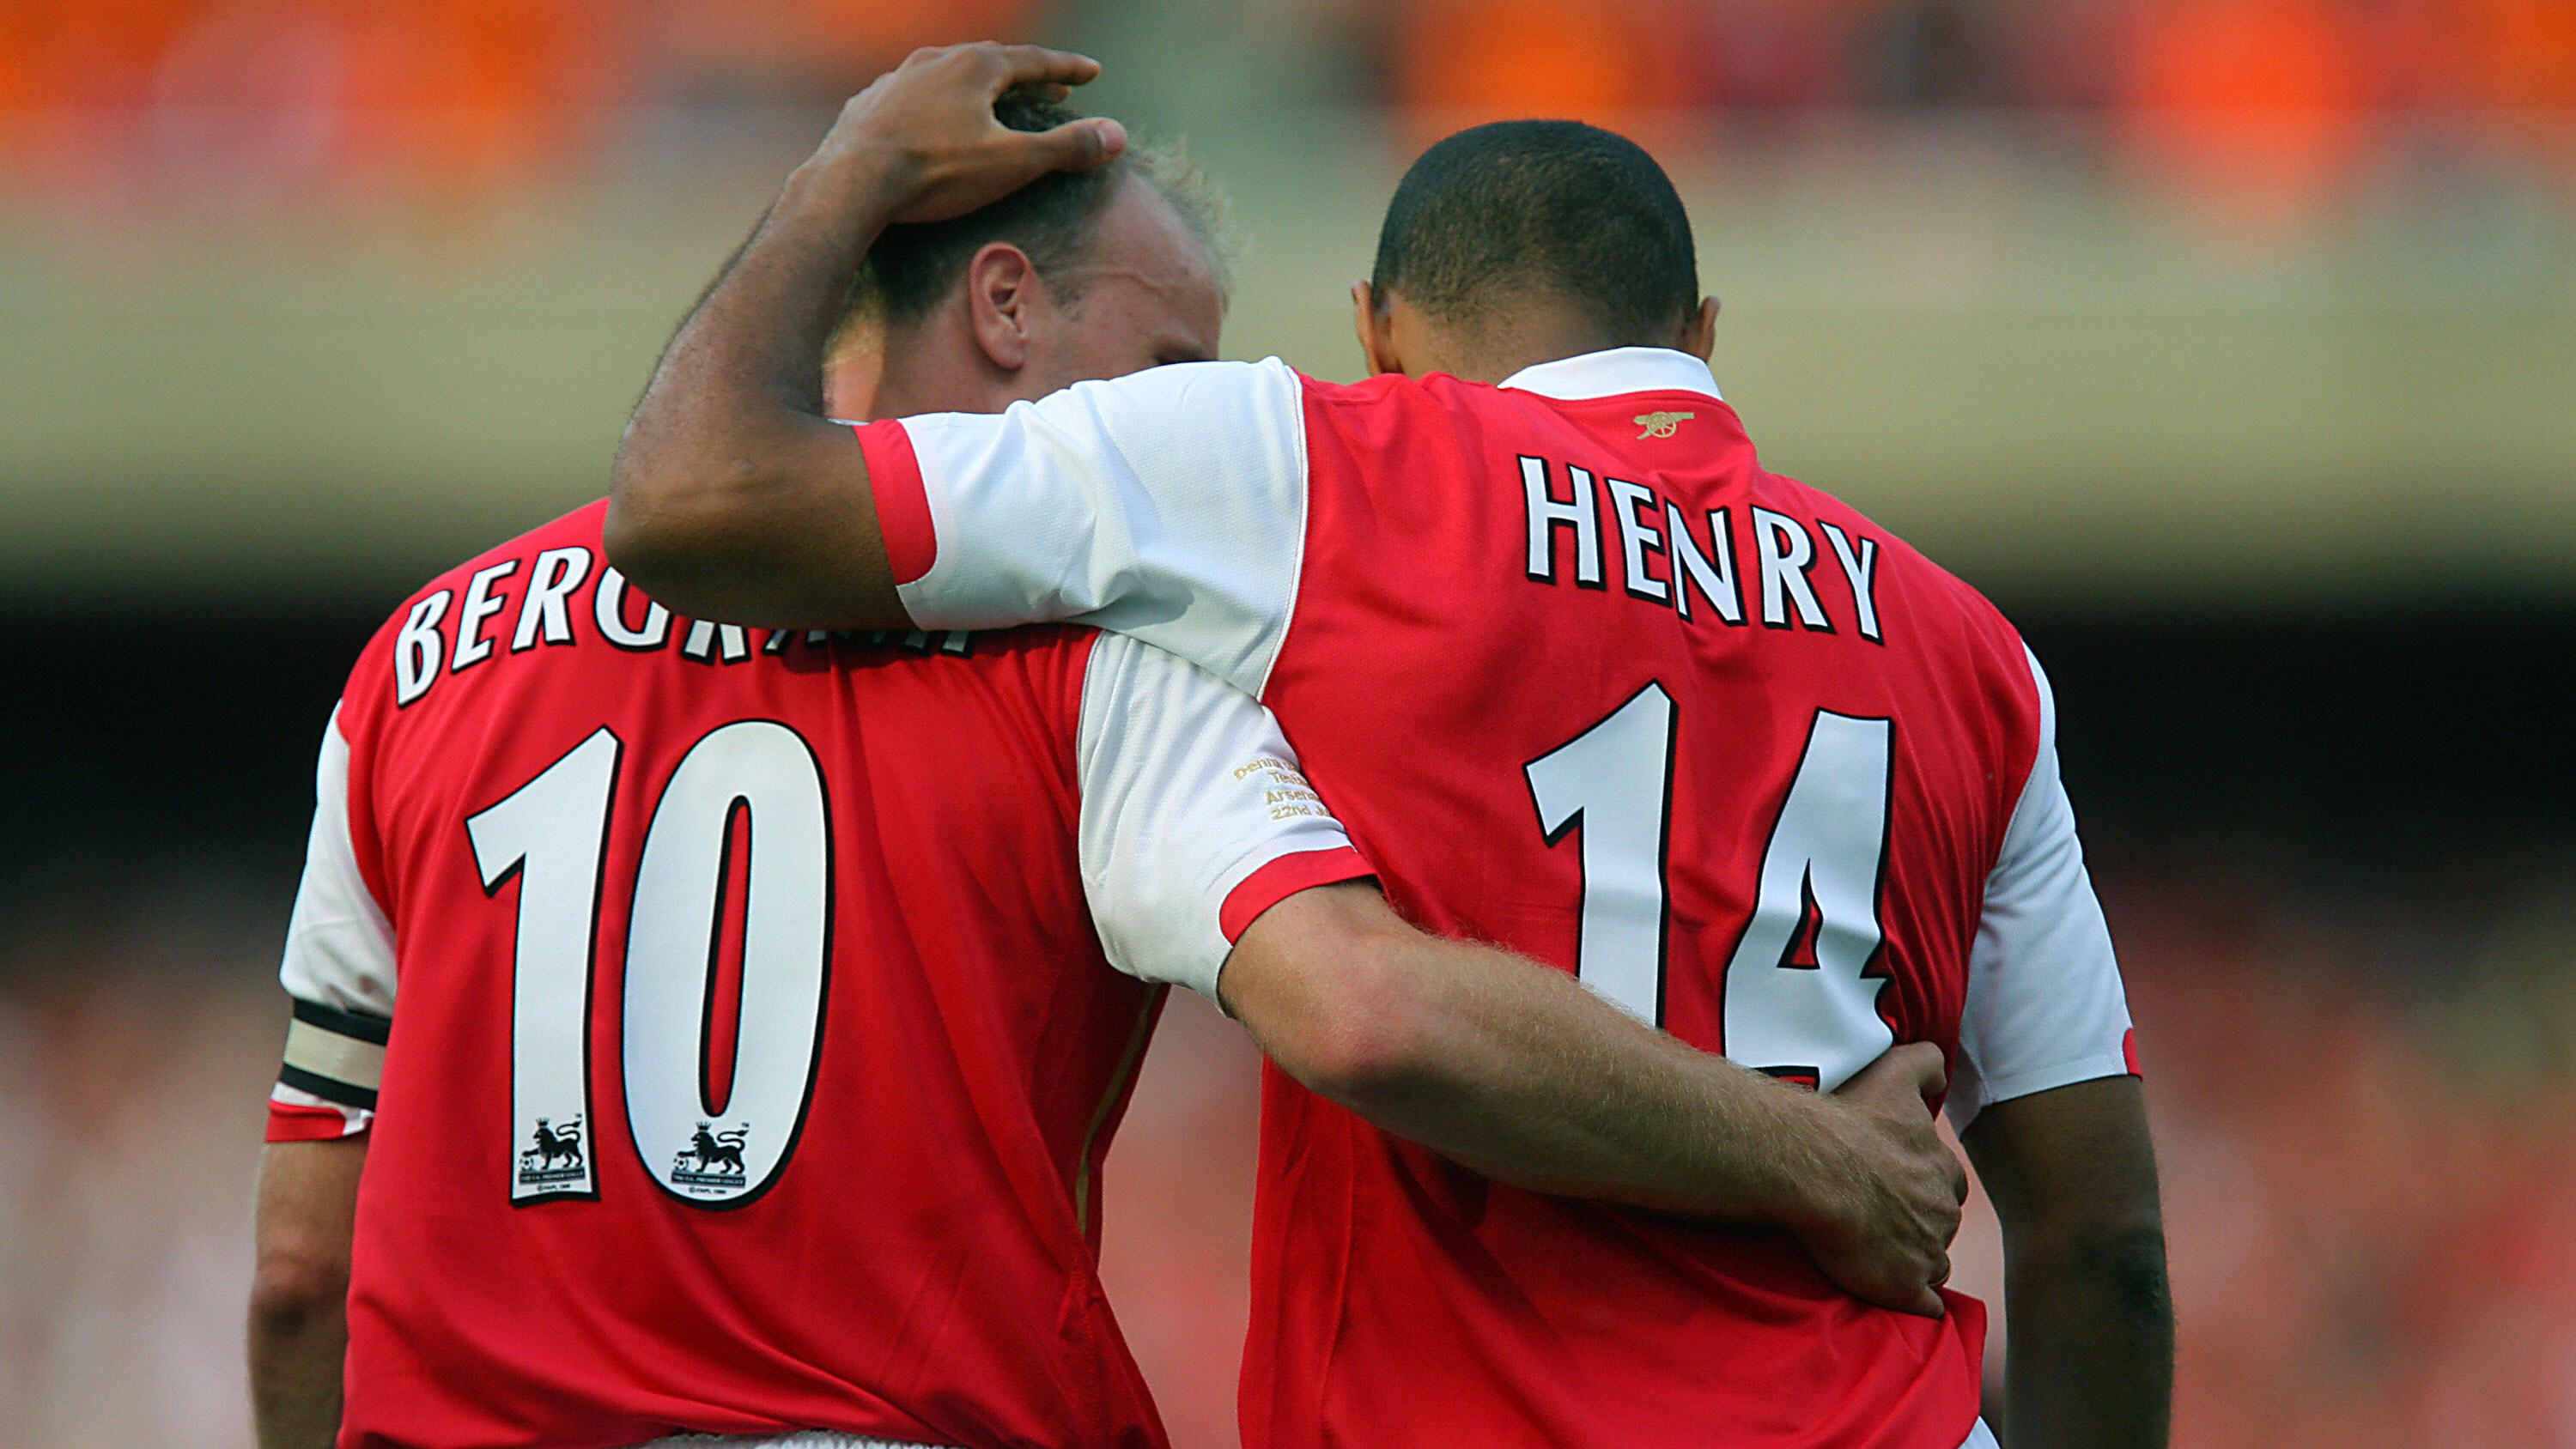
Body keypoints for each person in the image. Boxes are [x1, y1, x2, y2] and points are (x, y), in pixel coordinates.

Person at [248, 76, 1968, 1449]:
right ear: (1005, 305)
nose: (1180, 415)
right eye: (1167, 365)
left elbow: (299, 1271)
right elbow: (1365, 1007)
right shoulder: (1099, 673)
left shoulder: (425, 657)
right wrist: (1823, 1160)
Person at [605, 42, 2174, 1449]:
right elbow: (2100, 1238)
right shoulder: (1976, 655)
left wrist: (854, 168)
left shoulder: (1309, 460)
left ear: (1374, 332)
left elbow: (695, 504)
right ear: (1698, 335)